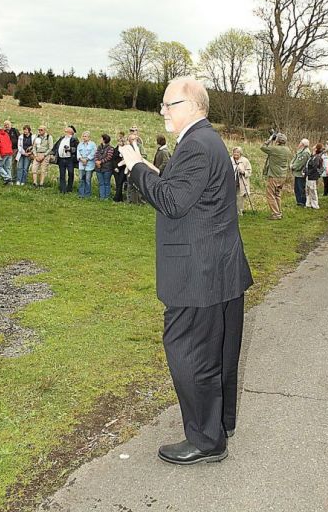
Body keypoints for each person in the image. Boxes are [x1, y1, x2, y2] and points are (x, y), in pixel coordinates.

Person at [120, 77, 253, 465]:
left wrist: (136, 171)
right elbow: (189, 197)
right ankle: (218, 426)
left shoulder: (195, 144)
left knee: (190, 354)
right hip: (219, 270)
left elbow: (173, 203)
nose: (162, 110)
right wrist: (150, 169)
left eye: (168, 103)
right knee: (218, 352)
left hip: (198, 276)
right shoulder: (206, 141)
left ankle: (206, 441)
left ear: (193, 105)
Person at [260, 133, 292, 220]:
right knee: (277, 194)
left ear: (277, 140)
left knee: (270, 195)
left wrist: (270, 139)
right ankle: (279, 212)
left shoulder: (275, 149)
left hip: (274, 175)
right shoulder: (287, 149)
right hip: (283, 175)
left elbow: (262, 147)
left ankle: (275, 214)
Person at [52, 126, 79, 193]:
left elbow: (77, 149)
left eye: (68, 128)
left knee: (71, 173)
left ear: (71, 131)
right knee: (62, 174)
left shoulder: (74, 139)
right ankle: (62, 189)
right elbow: (55, 146)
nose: (66, 129)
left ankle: (69, 189)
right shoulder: (62, 138)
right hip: (61, 158)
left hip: (70, 159)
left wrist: (70, 149)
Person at [230, 147, 252, 216]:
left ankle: (240, 212)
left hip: (241, 183)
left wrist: (243, 172)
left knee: (240, 197)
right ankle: (231, 211)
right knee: (231, 197)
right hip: (231, 182)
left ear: (240, 153)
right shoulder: (230, 160)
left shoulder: (245, 160)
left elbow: (249, 171)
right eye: (234, 152)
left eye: (237, 152)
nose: (235, 153)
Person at [290, 139, 311, 206]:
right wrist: (291, 164)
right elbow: (295, 158)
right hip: (297, 173)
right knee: (297, 188)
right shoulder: (300, 151)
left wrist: (293, 167)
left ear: (303, 144)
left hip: (301, 173)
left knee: (301, 188)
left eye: (300, 142)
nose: (299, 144)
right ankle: (299, 201)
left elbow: (300, 163)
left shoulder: (305, 153)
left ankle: (302, 202)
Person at [77, 131, 96, 198]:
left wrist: (87, 159)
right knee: (81, 179)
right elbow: (78, 153)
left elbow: (93, 153)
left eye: (85, 136)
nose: (84, 138)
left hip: (89, 164)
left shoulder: (92, 144)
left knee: (88, 179)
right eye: (83, 136)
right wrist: (81, 159)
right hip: (81, 163)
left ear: (89, 137)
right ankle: (81, 194)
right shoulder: (80, 144)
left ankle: (87, 194)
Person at [95, 134, 114, 200]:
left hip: (107, 168)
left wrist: (101, 162)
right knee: (101, 183)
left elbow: (109, 157)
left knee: (106, 183)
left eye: (101, 138)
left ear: (104, 140)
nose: (100, 139)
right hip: (98, 168)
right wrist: (97, 162)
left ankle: (106, 197)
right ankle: (102, 197)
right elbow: (96, 154)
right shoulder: (99, 147)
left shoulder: (110, 148)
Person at [305, 143, 324, 209]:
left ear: (316, 148)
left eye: (315, 146)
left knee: (312, 190)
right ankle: (308, 203)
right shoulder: (313, 156)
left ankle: (315, 205)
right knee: (308, 190)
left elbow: (314, 167)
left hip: (312, 176)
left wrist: (308, 173)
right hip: (308, 175)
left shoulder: (317, 157)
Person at [112, 132, 127, 202]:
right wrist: (115, 167)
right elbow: (113, 159)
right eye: (118, 141)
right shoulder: (115, 150)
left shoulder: (126, 149)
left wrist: (119, 167)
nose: (119, 142)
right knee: (117, 182)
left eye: (121, 141)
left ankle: (116, 198)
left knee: (120, 182)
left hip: (123, 168)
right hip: (116, 169)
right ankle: (119, 197)